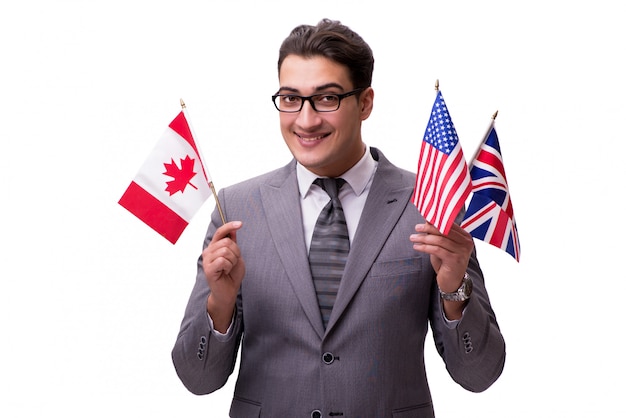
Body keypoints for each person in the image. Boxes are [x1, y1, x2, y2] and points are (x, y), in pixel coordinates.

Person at [172, 18, 505, 417]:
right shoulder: (237, 208)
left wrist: (455, 289)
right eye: (291, 98)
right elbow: (197, 379)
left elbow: (479, 373)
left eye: (327, 98)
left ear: (365, 102)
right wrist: (220, 303)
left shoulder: (430, 203)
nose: (306, 120)